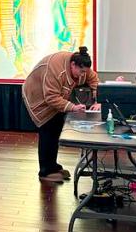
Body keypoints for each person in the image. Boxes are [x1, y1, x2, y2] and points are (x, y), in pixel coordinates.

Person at [23, 47, 99, 182]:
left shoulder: (82, 67)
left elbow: (94, 80)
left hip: (56, 98)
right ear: (73, 65)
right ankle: (45, 172)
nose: (82, 75)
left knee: (57, 129)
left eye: (85, 72)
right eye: (81, 71)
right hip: (37, 96)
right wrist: (73, 107)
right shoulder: (55, 69)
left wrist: (98, 99)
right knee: (47, 130)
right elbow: (51, 97)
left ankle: (53, 166)